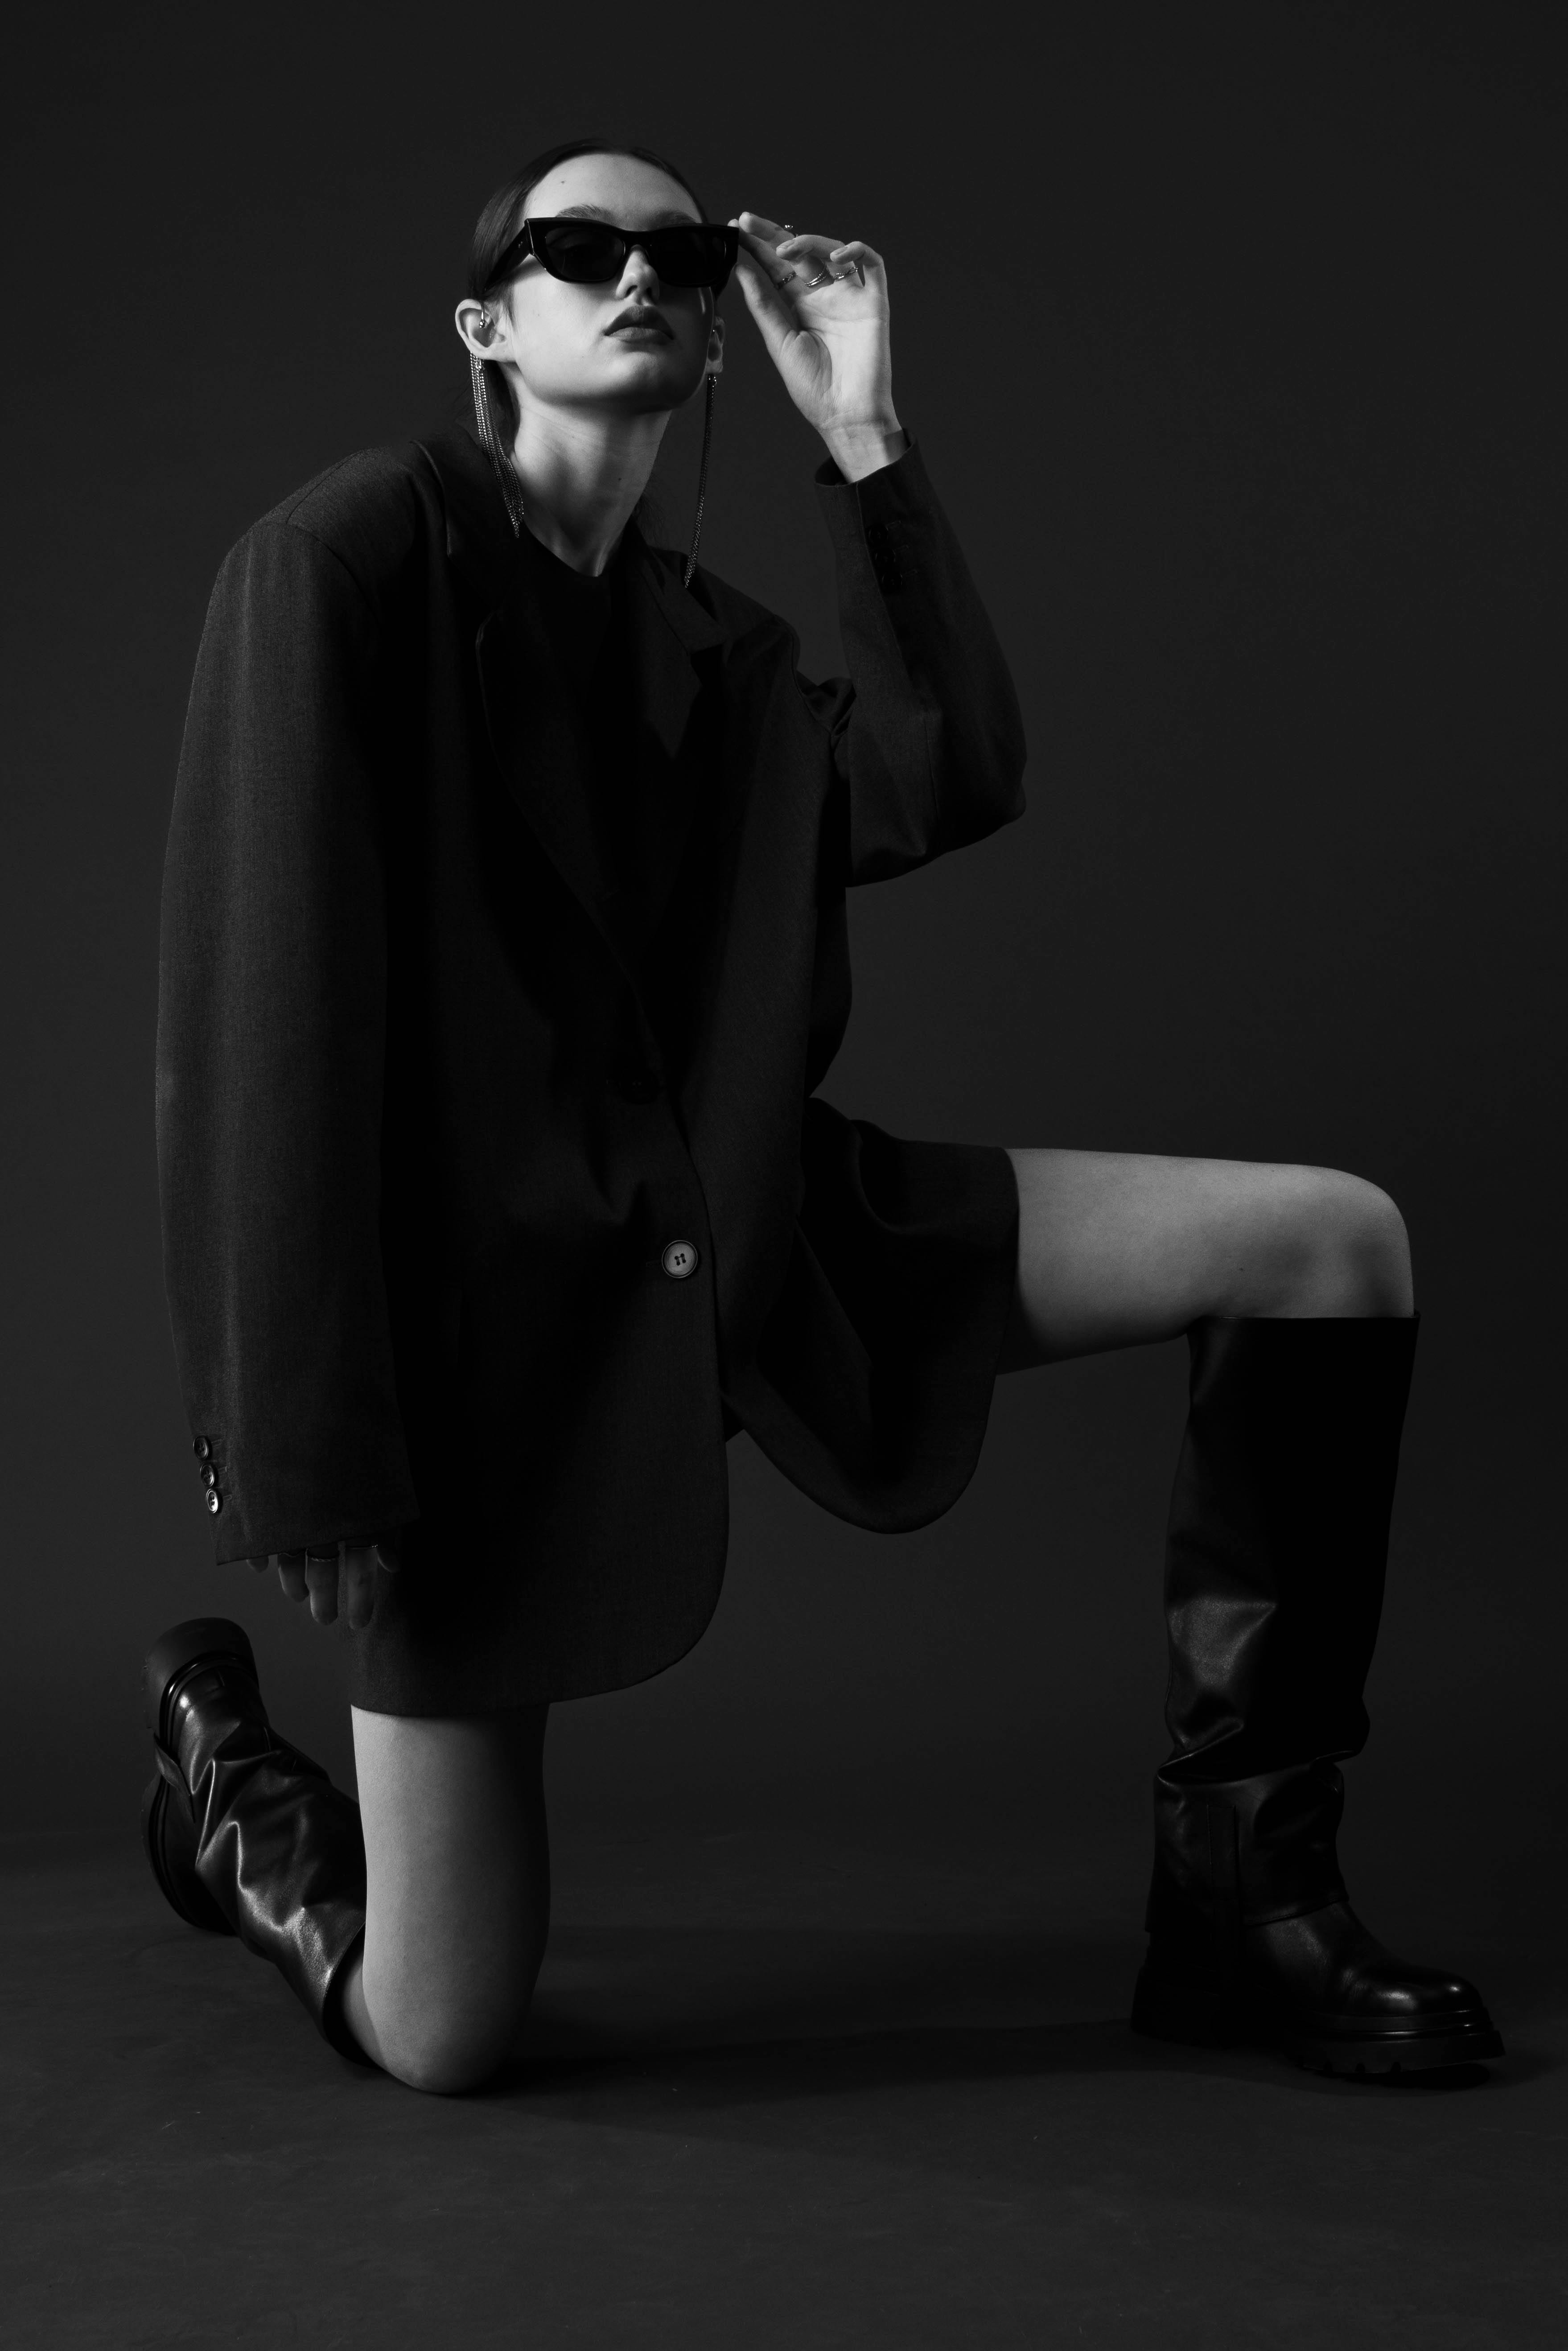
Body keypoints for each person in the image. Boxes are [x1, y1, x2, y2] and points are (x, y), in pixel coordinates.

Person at [144, 137, 1501, 2095]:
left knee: (1326, 1239)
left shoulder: (717, 647)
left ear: (711, 318)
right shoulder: (348, 559)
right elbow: (250, 1020)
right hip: (488, 1351)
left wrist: (862, 432)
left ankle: (1243, 1907)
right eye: (576, 247)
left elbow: (947, 771)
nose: (637, 275)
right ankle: (235, 1798)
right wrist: (303, 1453)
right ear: (488, 324)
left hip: (760, 1239)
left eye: (675, 253)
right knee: (445, 2030)